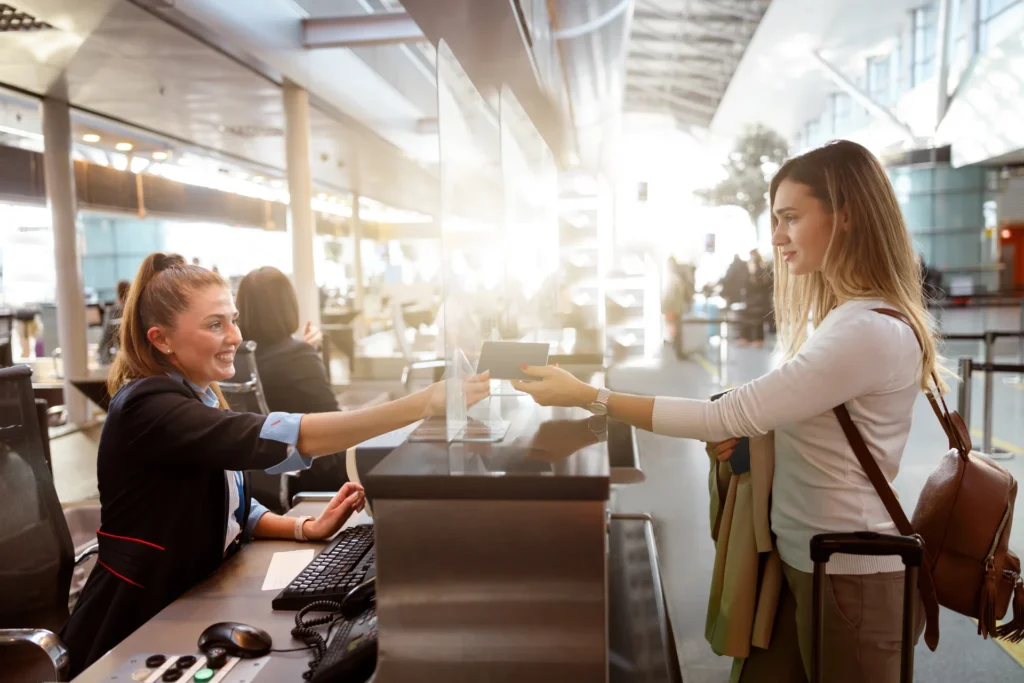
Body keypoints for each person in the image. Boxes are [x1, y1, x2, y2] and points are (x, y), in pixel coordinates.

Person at [511, 140, 943, 683]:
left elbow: (725, 417)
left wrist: (588, 396)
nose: (778, 237)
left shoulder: (866, 330)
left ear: (848, 216)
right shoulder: (843, 319)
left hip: (847, 577)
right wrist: (756, 440)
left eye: (791, 218)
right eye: (775, 220)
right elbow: (786, 416)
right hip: (805, 561)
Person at [61, 253, 489, 676]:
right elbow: (281, 437)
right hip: (137, 622)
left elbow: (229, 506)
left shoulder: (199, 395)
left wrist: (304, 527)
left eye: (234, 320)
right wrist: (422, 403)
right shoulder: (148, 407)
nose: (234, 336)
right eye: (215, 324)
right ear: (161, 339)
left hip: (196, 592)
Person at [235, 266, 340, 491]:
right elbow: (334, 421)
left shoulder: (236, 356)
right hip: (307, 470)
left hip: (251, 477)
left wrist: (309, 352)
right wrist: (310, 354)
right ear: (288, 305)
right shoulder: (297, 355)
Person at [741, 250, 773, 348]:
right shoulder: (749, 267)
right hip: (752, 299)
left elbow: (767, 283)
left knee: (759, 320)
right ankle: (748, 338)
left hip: (760, 299)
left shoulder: (763, 267)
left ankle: (759, 339)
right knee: (749, 319)